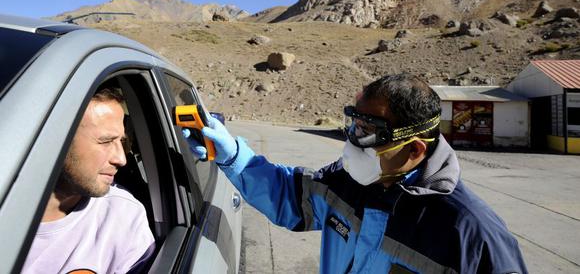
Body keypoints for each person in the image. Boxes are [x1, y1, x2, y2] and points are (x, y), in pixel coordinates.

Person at [186, 73, 528, 273]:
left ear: (414, 150)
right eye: (354, 124)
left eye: (368, 131)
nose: (352, 140)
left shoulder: (472, 235)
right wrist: (233, 155)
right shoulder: (347, 183)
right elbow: (290, 198)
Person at [22, 85, 155, 274]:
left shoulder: (123, 218)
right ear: (54, 139)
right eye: (106, 141)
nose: (121, 159)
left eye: (122, 142)